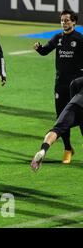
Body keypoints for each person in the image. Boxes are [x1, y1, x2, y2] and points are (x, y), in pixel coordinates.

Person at [33, 9, 83, 164]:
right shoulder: (57, 37)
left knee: (80, 119)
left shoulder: (80, 39)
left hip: (76, 86)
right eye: (62, 20)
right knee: (61, 117)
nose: (64, 23)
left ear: (74, 22)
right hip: (60, 85)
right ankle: (68, 148)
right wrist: (39, 48)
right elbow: (45, 51)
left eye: (67, 20)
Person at [31, 76, 83, 171]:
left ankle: (43, 149)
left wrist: (73, 100)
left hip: (75, 103)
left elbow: (75, 83)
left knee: (57, 129)